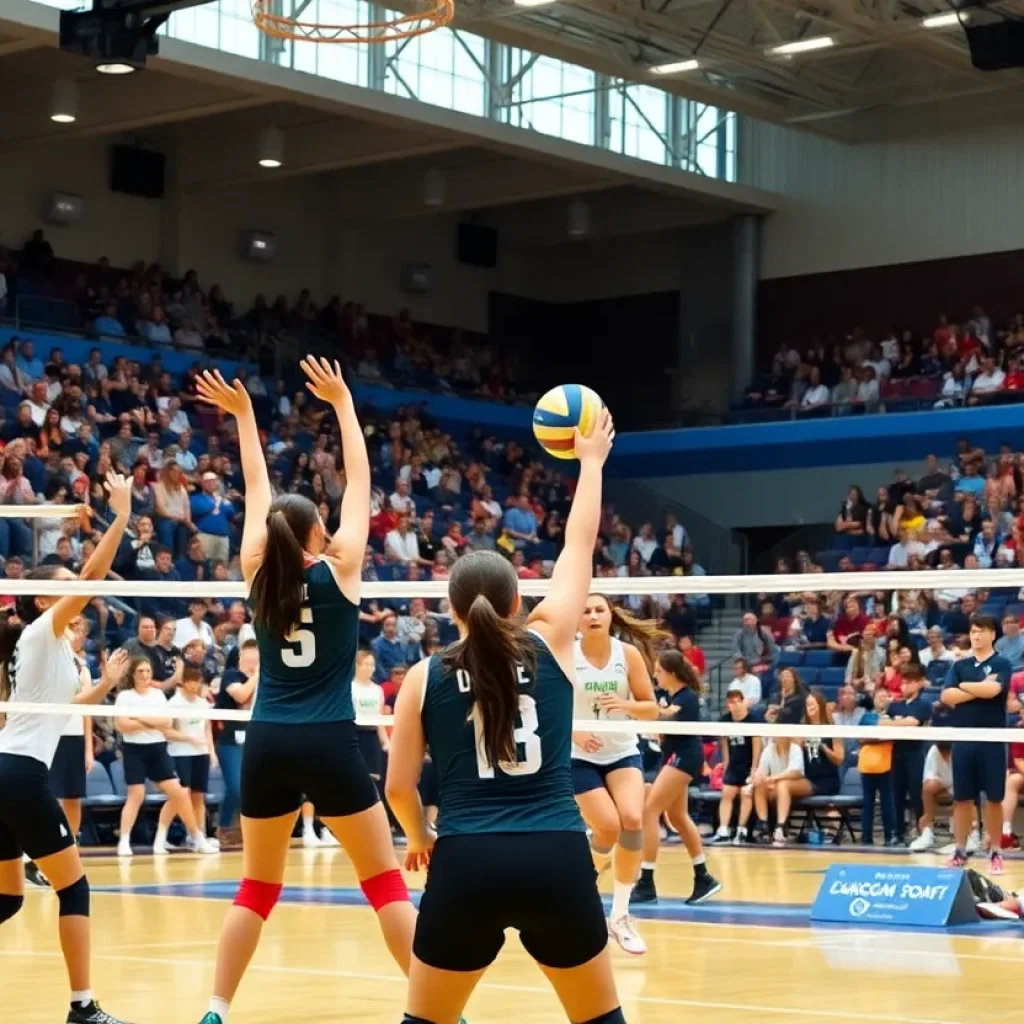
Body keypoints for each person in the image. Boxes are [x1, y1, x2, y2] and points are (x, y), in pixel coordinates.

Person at [384, 411, 626, 1024]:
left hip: (467, 860)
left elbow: (397, 788)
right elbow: (579, 544)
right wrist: (591, 463)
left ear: (451, 609)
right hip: (556, 854)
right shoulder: (551, 642)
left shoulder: (422, 676)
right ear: (520, 601)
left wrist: (418, 837)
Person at [194, 360, 417, 1024]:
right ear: (320, 532)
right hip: (327, 740)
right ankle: (440, 1009)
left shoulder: (256, 571)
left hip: (265, 739)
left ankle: (215, 1009)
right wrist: (345, 405)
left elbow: (256, 485)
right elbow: (363, 483)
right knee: (383, 884)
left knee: (257, 887)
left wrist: (243, 418)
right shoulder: (342, 569)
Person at [0, 470, 137, 1024]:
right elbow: (93, 574)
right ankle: (83, 1009)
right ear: (43, 597)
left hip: (6, 771)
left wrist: (102, 686)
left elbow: (64, 708)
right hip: (19, 775)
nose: (74, 592)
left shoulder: (55, 648)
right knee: (75, 891)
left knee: (9, 898)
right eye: (64, 586)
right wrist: (121, 515)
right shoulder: (38, 632)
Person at [569, 594, 660, 954]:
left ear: (610, 616)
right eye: (585, 610)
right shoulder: (566, 654)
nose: (592, 615)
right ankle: (582, 892)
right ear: (577, 620)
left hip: (621, 750)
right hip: (579, 755)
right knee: (607, 827)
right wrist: (573, 730)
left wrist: (625, 706)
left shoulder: (628, 655)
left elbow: (651, 709)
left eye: (598, 610)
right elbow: (546, 706)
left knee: (633, 820)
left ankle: (620, 915)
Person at [639, 651, 721, 905]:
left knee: (650, 811)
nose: (655, 675)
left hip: (685, 757)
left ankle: (646, 881)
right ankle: (703, 876)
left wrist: (644, 709)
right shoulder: (671, 697)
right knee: (677, 816)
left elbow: (668, 715)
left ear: (671, 673)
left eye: (659, 671)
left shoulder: (687, 698)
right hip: (675, 755)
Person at [114, 657, 216, 857]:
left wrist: (139, 718)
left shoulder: (158, 696)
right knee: (136, 794)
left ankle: (197, 837)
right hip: (134, 749)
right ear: (133, 675)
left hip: (157, 748)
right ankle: (124, 841)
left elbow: (166, 723)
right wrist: (152, 722)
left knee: (179, 792)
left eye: (147, 671)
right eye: (140, 671)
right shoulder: (125, 697)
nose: (145, 675)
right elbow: (123, 724)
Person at [941, 614, 1013, 873]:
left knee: (993, 798)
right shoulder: (959, 665)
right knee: (962, 799)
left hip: (992, 739)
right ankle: (960, 850)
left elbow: (993, 691)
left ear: (993, 634)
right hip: (963, 739)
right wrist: (975, 687)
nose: (976, 635)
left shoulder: (1002, 663)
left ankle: (995, 851)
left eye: (981, 631)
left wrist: (964, 689)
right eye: (973, 631)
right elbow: (947, 696)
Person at [153, 665, 217, 853]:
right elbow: (166, 731)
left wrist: (211, 751)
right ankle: (161, 836)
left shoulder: (203, 703)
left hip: (200, 754)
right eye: (192, 681)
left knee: (198, 796)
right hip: (180, 753)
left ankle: (197, 836)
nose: (196, 685)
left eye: (198, 682)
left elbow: (207, 729)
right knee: (179, 796)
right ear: (184, 682)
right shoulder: (173, 704)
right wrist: (187, 738)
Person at [771, 690, 844, 847]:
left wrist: (824, 748)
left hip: (827, 780)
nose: (809, 706)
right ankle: (780, 827)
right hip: (809, 778)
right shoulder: (803, 729)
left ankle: (782, 826)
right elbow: (787, 740)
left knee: (783, 785)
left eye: (812, 703)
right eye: (807, 704)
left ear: (820, 706)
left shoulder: (831, 728)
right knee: (781, 784)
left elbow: (839, 759)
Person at [49, 617, 95, 841]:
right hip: (52, 737)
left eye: (81, 630)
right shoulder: (51, 661)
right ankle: (50, 843)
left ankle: (71, 843)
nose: (78, 634)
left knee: (74, 797)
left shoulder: (84, 668)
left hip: (75, 739)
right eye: (73, 628)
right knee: (52, 796)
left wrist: (88, 749)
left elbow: (87, 711)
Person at [709, 684, 762, 846]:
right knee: (727, 793)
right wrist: (726, 762)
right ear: (728, 705)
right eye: (732, 702)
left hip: (749, 765)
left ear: (744, 702)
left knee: (746, 794)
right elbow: (723, 742)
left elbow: (757, 746)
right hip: (734, 764)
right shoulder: (725, 720)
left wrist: (754, 769)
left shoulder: (753, 720)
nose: (735, 705)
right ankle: (723, 830)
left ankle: (741, 829)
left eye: (738, 701)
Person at [886, 663, 932, 846]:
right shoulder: (894, 706)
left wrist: (897, 723)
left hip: (915, 754)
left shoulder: (924, 704)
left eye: (909, 682)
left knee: (917, 795)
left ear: (919, 683)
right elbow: (882, 723)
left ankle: (923, 831)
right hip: (896, 754)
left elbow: (912, 722)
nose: (905, 686)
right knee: (896, 795)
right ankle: (898, 832)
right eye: (903, 682)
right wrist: (898, 723)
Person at [910, 742, 955, 852]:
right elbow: (928, 780)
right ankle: (927, 831)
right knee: (929, 787)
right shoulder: (933, 751)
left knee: (965, 793)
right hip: (943, 786)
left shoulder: (960, 750)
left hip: (960, 786)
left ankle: (963, 838)